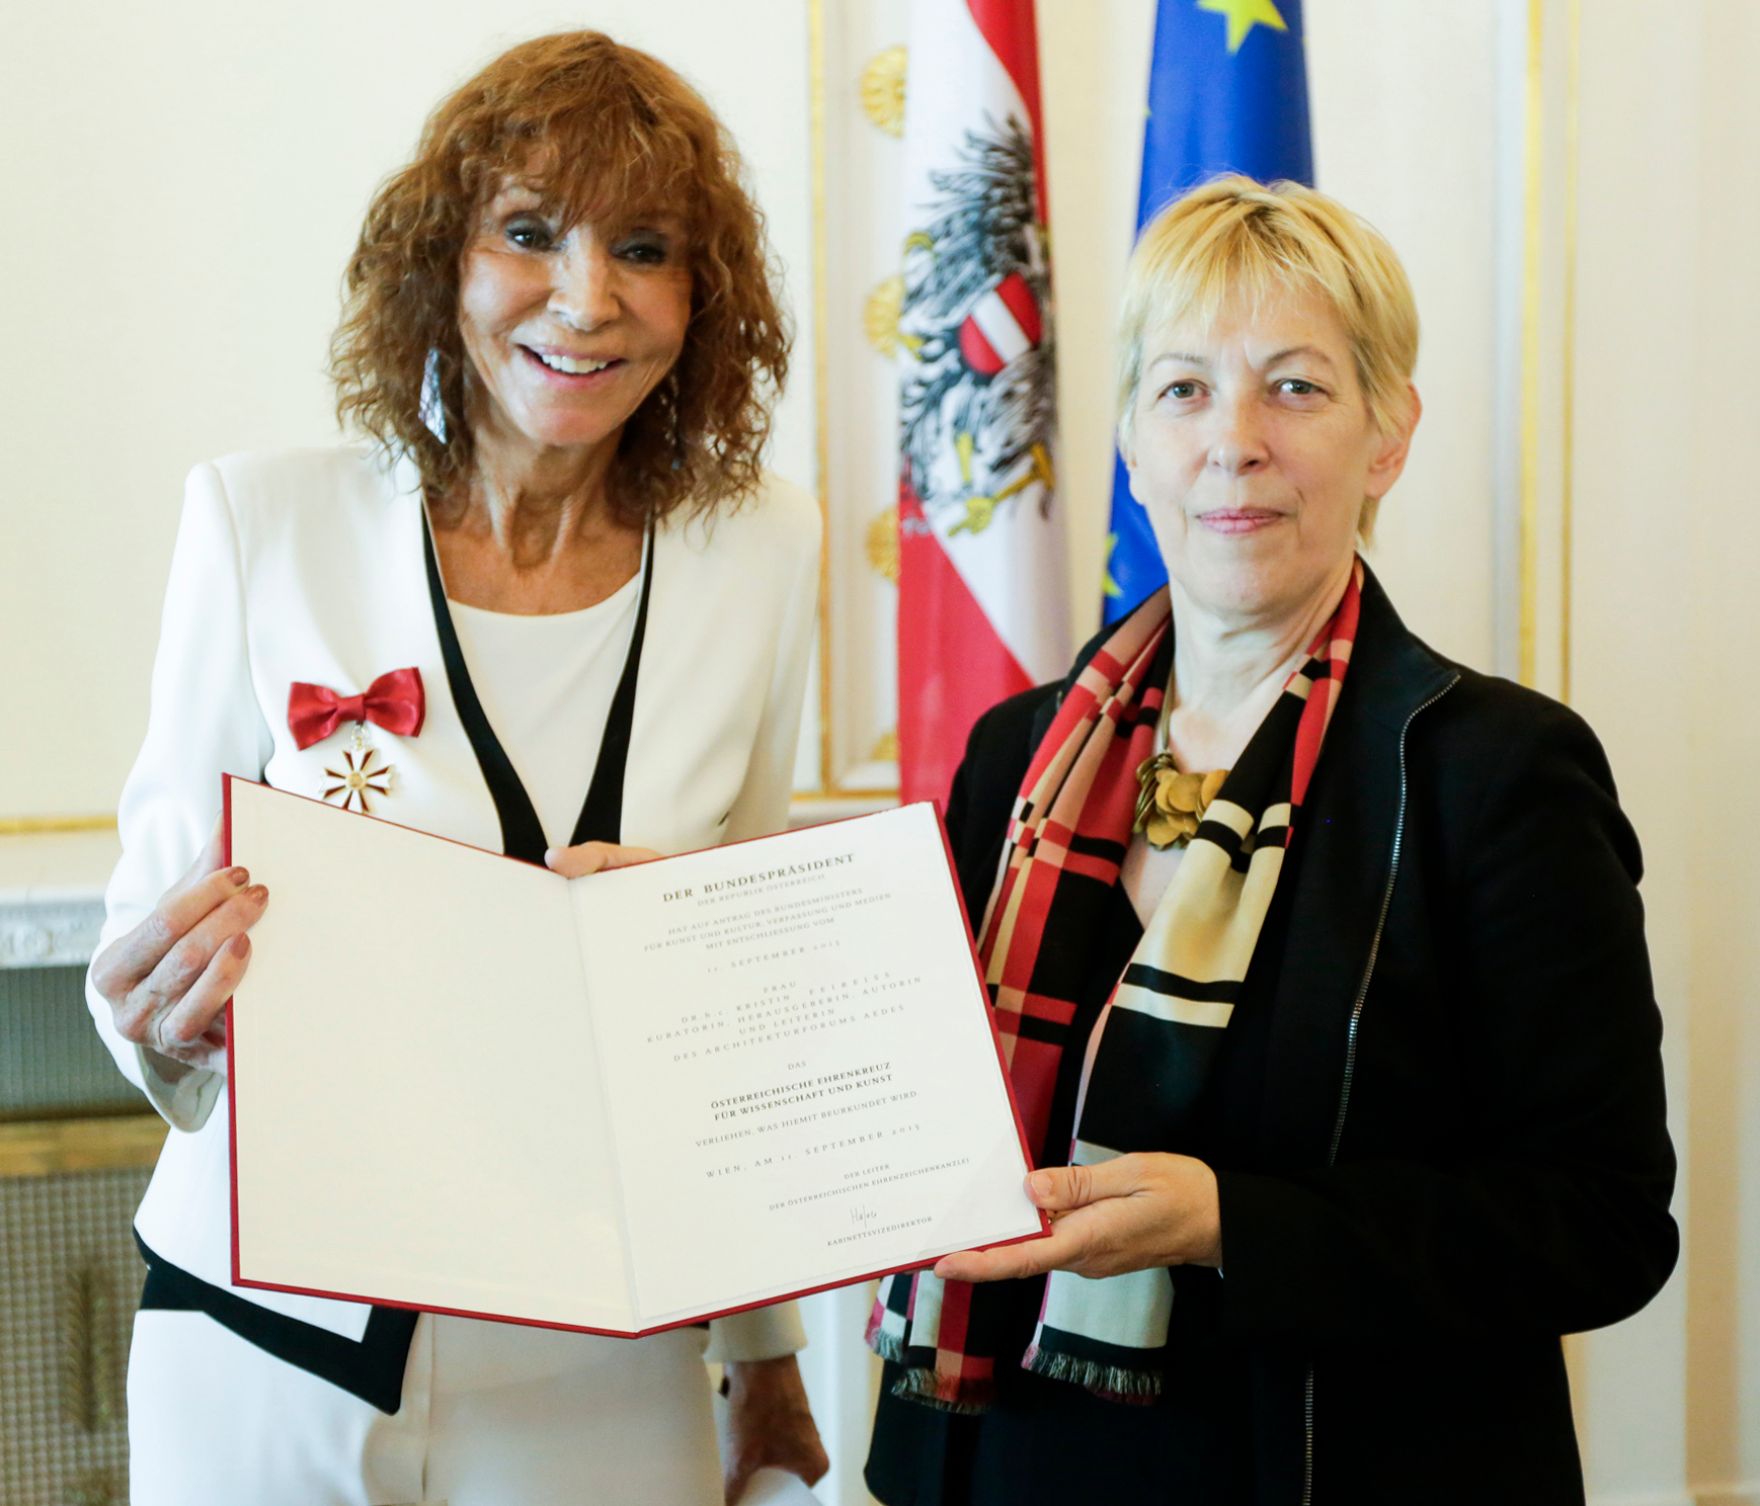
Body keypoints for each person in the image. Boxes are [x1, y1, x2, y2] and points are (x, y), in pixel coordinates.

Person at [86, 31, 827, 1506]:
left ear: (707, 297)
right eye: (529, 232)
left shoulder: (765, 548)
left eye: (646, 247)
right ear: (444, 258)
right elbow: (140, 945)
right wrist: (160, 1016)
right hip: (263, 1332)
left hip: (606, 1362)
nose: (585, 296)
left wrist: (763, 1348)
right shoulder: (258, 523)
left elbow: (745, 988)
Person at [863, 176, 1678, 1505]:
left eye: (1294, 387)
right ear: (1129, 440)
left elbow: (1600, 1223)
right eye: (1182, 389)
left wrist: (1233, 1224)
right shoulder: (1016, 756)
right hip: (1011, 1467)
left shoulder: (1495, 773)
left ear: (1389, 434)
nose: (1231, 441)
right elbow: (910, 1109)